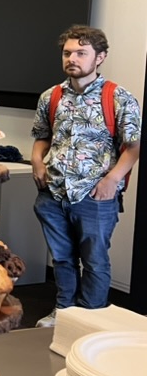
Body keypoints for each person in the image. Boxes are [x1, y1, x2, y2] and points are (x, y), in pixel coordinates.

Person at [31, 26, 141, 326]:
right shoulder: (50, 96)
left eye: (81, 53)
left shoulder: (118, 97)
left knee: (94, 260)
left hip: (95, 194)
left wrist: (112, 180)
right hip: (53, 192)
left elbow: (133, 147)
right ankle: (65, 312)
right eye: (68, 53)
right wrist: (36, 162)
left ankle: (92, 317)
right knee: (62, 258)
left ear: (100, 57)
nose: (72, 59)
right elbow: (42, 137)